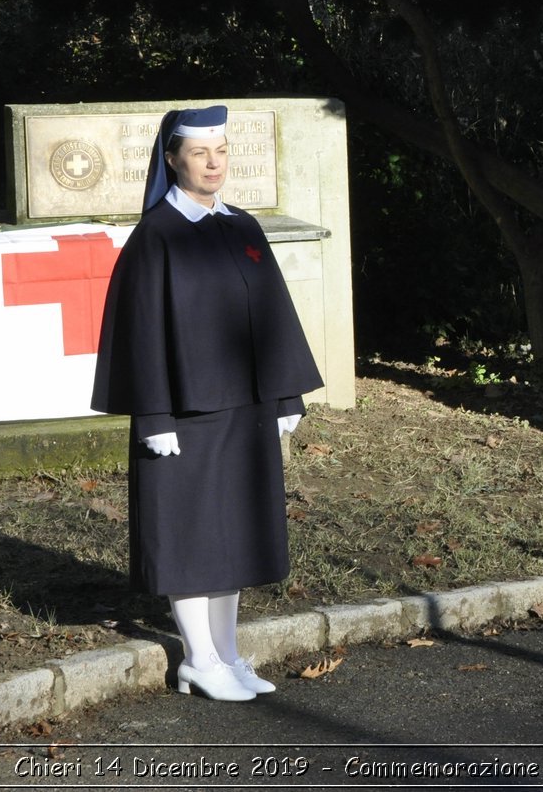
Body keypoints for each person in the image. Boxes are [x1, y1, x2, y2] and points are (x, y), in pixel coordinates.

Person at [92, 105, 323, 701]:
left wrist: (284, 393)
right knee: (191, 534)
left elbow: (272, 312)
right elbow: (140, 337)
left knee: (235, 532)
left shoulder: (241, 226)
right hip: (183, 417)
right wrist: (154, 415)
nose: (214, 162)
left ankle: (228, 653)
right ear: (172, 160)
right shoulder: (156, 239)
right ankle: (197, 657)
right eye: (200, 152)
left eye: (221, 150)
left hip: (244, 409)